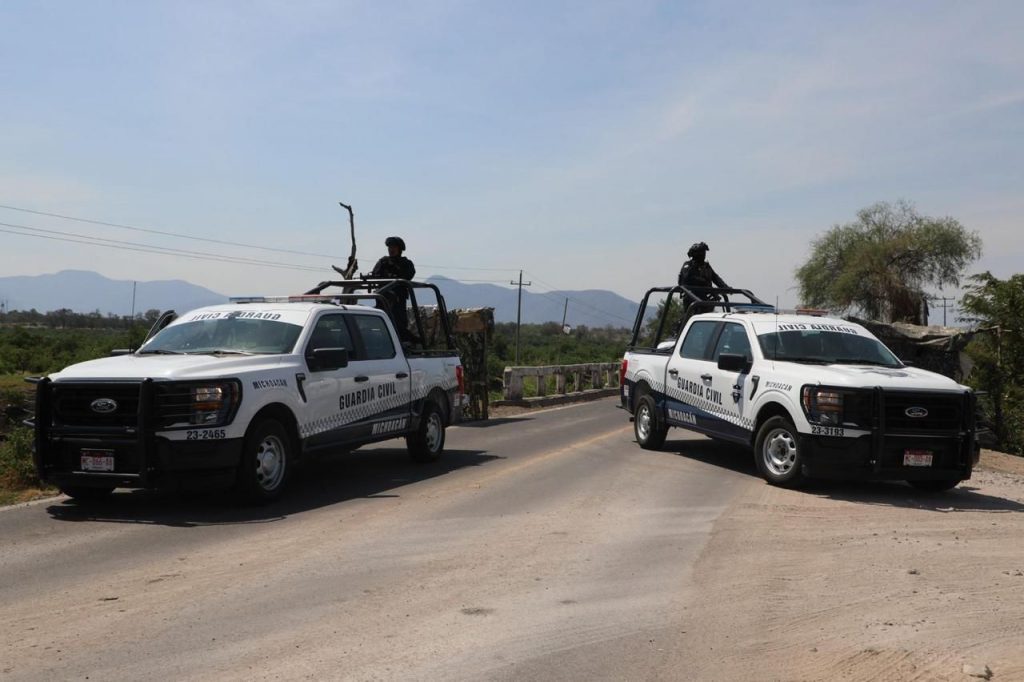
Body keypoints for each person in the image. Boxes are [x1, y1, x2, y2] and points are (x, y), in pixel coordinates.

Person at [369, 236, 416, 342]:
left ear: (400, 249)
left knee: (399, 325)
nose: (391, 249)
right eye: (389, 247)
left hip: (398, 299)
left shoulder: (406, 263)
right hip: (383, 298)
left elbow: (408, 275)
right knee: (381, 323)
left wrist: (395, 273)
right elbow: (375, 275)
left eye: (394, 247)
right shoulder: (383, 262)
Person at [677, 241, 729, 319]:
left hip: (705, 298)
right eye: (701, 253)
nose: (703, 255)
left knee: (706, 317)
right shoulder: (688, 265)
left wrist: (726, 288)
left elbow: (715, 278)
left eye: (704, 252)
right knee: (690, 318)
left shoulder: (706, 266)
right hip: (691, 298)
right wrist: (704, 282)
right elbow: (687, 278)